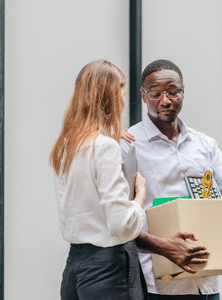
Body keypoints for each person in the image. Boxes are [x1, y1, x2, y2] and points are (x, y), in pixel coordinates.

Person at [120, 59, 222, 300]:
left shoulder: (204, 144)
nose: (165, 100)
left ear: (183, 92)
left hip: (207, 279)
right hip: (157, 284)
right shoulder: (129, 145)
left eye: (173, 91)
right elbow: (119, 215)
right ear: (143, 95)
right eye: (155, 93)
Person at [50, 60, 148, 300]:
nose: (125, 99)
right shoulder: (104, 147)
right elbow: (120, 224)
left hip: (75, 267)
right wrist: (139, 197)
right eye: (122, 92)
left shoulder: (65, 146)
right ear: (112, 97)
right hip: (109, 269)